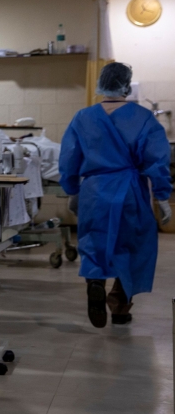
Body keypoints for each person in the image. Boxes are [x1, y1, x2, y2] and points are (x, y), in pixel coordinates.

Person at [59, 63, 171, 327]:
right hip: (130, 191)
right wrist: (163, 197)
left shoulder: (82, 117)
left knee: (94, 243)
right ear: (127, 84)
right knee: (133, 247)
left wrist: (73, 190)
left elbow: (69, 159)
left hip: (94, 190)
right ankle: (120, 307)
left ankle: (95, 282)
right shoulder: (143, 118)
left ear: (101, 83)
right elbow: (157, 161)